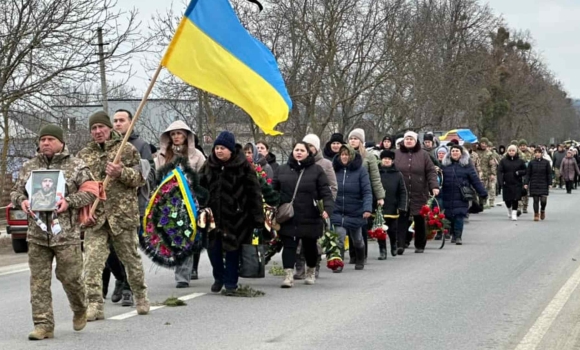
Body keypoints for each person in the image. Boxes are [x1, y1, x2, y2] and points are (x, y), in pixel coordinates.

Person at [11, 125, 96, 340]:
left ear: (60, 142)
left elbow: (90, 192)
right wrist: (22, 201)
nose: (46, 143)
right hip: (37, 234)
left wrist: (69, 202)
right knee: (39, 281)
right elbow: (16, 192)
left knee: (70, 278)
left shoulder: (76, 165)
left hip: (65, 235)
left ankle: (79, 307)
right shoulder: (29, 166)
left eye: (50, 139)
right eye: (42, 139)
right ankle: (43, 324)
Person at [77, 111, 150, 321]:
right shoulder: (84, 155)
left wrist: (121, 172)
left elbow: (141, 179)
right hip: (96, 218)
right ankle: (94, 304)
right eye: (94, 128)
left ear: (109, 127)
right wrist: (83, 214)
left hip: (122, 216)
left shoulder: (127, 150)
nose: (98, 131)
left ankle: (141, 296)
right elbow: (79, 188)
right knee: (91, 263)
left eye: (101, 127)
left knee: (131, 260)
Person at [199, 131, 264, 295]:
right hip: (213, 216)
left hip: (236, 217)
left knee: (232, 251)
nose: (219, 151)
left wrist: (257, 218)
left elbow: (254, 192)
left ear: (230, 149)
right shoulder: (209, 165)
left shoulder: (243, 166)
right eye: (217, 148)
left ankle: (230, 282)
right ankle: (218, 277)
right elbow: (199, 186)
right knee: (213, 250)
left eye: (222, 148)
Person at [104, 109, 154, 305]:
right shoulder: (107, 146)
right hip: (109, 207)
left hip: (133, 205)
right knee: (109, 250)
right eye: (115, 121)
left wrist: (126, 173)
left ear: (131, 123)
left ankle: (128, 288)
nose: (117, 124)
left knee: (127, 249)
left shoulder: (141, 145)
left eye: (121, 120)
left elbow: (149, 174)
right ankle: (120, 277)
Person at [272, 142, 334, 287]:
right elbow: (273, 190)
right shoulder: (282, 170)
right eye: (296, 150)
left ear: (308, 153)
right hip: (288, 216)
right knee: (289, 245)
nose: (299, 152)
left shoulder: (317, 170)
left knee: (310, 245)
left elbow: (325, 191)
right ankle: (288, 275)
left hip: (310, 215)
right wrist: (271, 207)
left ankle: (311, 270)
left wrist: (327, 208)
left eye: (302, 150)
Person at [155, 121, 207, 288]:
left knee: (187, 236)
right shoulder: (163, 156)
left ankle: (183, 275)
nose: (176, 137)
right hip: (169, 202)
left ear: (186, 136)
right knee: (172, 236)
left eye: (179, 133)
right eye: (173, 134)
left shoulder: (197, 155)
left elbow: (204, 177)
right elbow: (157, 178)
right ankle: (182, 266)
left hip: (190, 202)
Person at [294, 134, 338, 279]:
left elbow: (332, 187)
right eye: (307, 146)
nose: (309, 149)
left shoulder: (325, 164)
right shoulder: (297, 163)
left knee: (314, 240)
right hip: (300, 206)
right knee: (298, 239)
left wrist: (325, 206)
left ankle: (314, 265)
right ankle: (299, 267)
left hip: (316, 208)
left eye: (311, 146)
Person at [394, 131, 439, 254]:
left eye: (411, 139)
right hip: (401, 192)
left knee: (419, 219)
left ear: (416, 141)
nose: (408, 141)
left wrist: (434, 186)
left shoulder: (423, 155)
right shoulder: (396, 154)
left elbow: (431, 171)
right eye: (406, 139)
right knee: (401, 218)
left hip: (419, 191)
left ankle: (420, 245)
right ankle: (400, 244)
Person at [331, 145, 372, 271]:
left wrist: (367, 208)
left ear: (352, 156)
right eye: (342, 154)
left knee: (357, 239)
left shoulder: (360, 170)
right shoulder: (334, 170)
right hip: (337, 210)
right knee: (339, 238)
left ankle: (360, 258)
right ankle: (338, 263)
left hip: (355, 210)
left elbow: (367, 191)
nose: (344, 157)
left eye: (347, 154)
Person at [348, 128, 385, 262]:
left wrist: (380, 196)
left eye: (356, 138)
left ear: (361, 141)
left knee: (361, 225)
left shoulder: (369, 157)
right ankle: (352, 254)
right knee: (349, 224)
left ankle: (361, 254)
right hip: (348, 195)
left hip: (363, 195)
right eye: (351, 138)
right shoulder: (345, 154)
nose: (353, 141)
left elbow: (375, 177)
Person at [441, 145, 487, 245]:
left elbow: (475, 180)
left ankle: (458, 236)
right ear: (450, 153)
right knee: (449, 215)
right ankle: (452, 233)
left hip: (461, 195)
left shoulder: (467, 166)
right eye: (453, 151)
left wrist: (482, 192)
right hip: (447, 194)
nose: (455, 153)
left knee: (459, 215)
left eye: (457, 151)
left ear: (461, 153)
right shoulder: (444, 166)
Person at [377, 150, 408, 257]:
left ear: (392, 161)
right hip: (379, 206)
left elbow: (403, 191)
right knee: (380, 230)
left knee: (392, 229)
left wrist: (402, 206)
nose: (386, 161)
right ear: (381, 160)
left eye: (389, 159)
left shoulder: (398, 174)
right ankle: (382, 251)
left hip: (393, 206)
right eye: (384, 159)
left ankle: (394, 245)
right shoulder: (376, 172)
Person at [498, 145, 527, 221]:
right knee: (507, 200)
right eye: (510, 151)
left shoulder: (520, 161)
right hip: (506, 182)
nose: (511, 152)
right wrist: (501, 182)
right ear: (507, 151)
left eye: (513, 151)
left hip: (517, 182)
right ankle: (509, 210)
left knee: (515, 199)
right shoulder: (503, 161)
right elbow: (500, 171)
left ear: (516, 151)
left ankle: (514, 213)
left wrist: (519, 172)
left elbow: (525, 170)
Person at [526, 148, 551, 221]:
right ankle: (536, 214)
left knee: (543, 200)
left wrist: (550, 183)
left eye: (539, 152)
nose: (537, 154)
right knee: (535, 200)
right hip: (534, 183)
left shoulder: (546, 162)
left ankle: (542, 210)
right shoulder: (531, 163)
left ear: (541, 154)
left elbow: (549, 174)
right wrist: (526, 183)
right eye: (536, 152)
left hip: (543, 183)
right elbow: (528, 174)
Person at [477, 138, 498, 208]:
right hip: (477, 173)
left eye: (485, 143)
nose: (483, 145)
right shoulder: (476, 152)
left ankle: (487, 202)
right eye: (482, 143)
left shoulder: (489, 153)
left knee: (487, 188)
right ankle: (479, 202)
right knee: (478, 189)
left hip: (486, 174)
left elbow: (493, 164)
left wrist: (493, 174)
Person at [518, 140, 533, 213]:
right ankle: (519, 206)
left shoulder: (530, 153)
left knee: (526, 192)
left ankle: (525, 206)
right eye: (521, 145)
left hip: (527, 174)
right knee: (518, 191)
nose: (523, 147)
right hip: (519, 174)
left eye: (524, 145)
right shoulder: (517, 153)